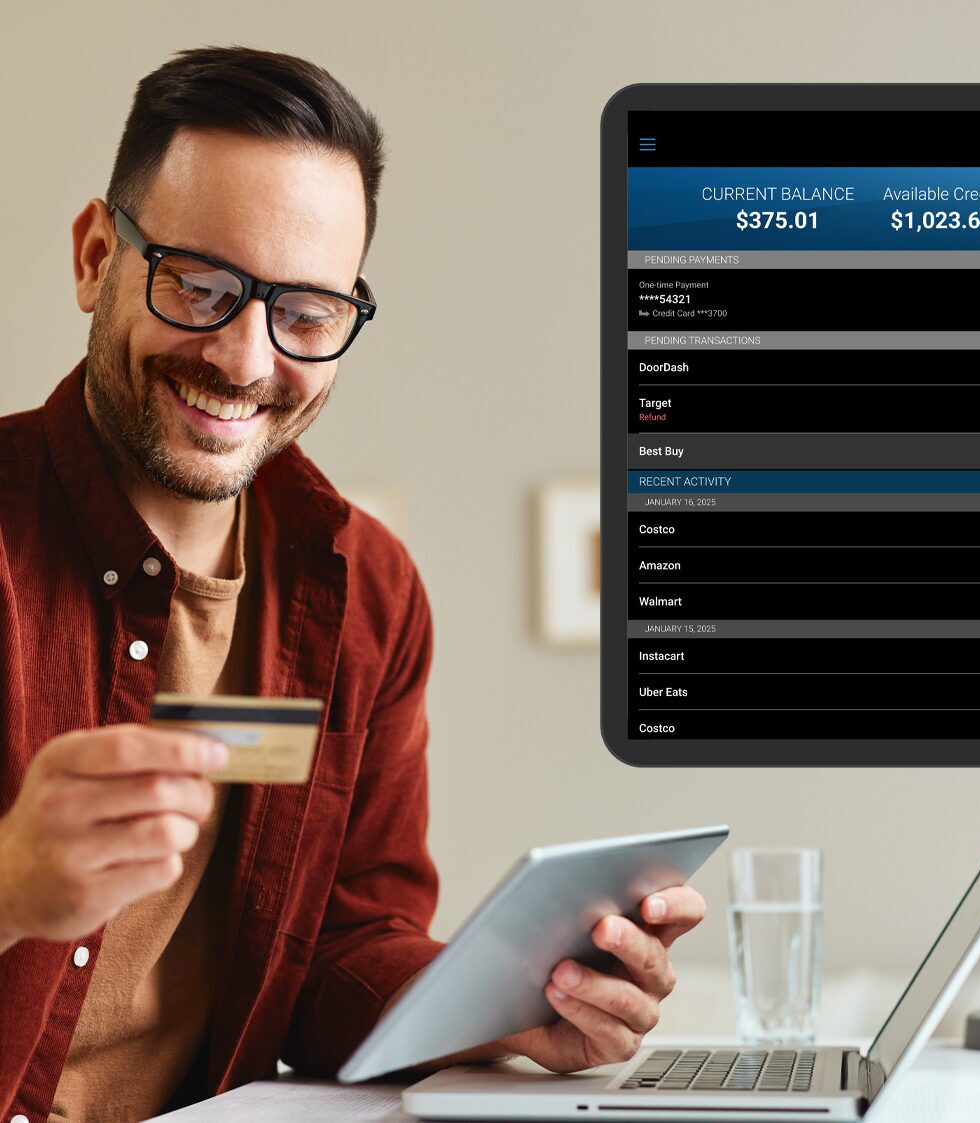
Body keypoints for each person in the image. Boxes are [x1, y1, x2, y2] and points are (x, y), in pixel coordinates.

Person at [0, 45, 705, 1122]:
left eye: (309, 312)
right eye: (199, 284)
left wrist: (506, 1006)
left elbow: (341, 950)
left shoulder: (366, 593)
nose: (245, 358)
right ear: (99, 256)